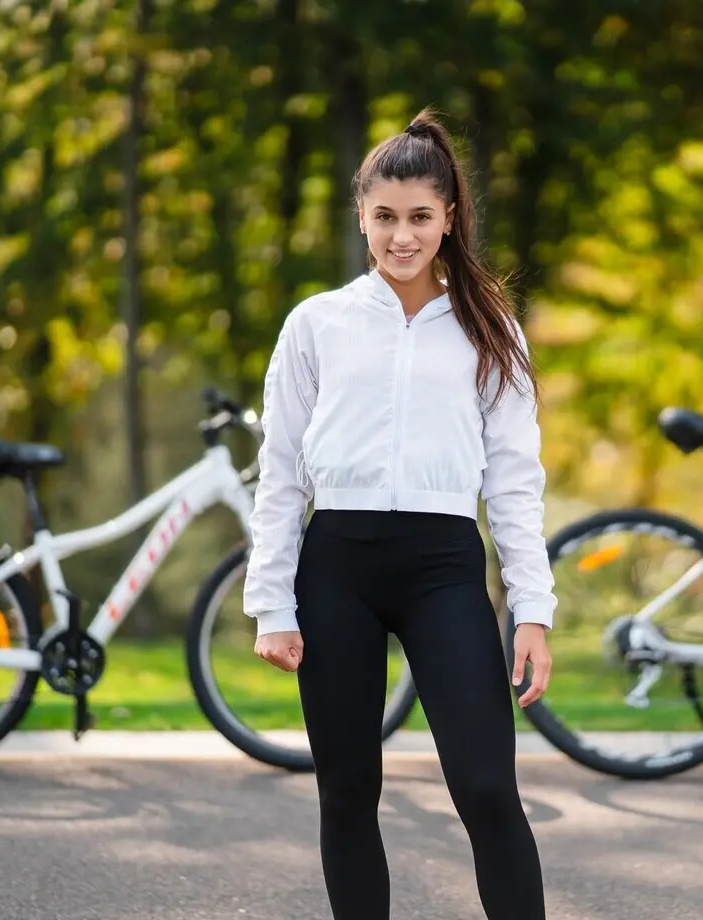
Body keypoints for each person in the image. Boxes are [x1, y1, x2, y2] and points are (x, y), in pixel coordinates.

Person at [241, 106, 555, 920]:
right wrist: (271, 601)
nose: (402, 237)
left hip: (443, 568)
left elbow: (516, 481)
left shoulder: (491, 332)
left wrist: (533, 610)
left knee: (487, 788)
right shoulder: (318, 324)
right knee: (347, 792)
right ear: (362, 217)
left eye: (420, 217)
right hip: (336, 565)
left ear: (450, 218)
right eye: (385, 218)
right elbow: (278, 471)